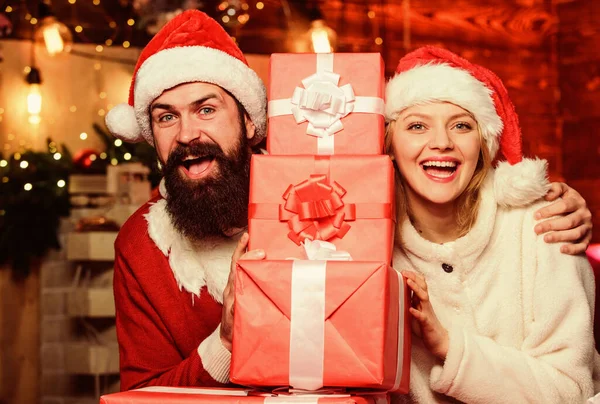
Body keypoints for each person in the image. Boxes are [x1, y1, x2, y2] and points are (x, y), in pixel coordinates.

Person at [105, 11, 593, 391]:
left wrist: (555, 197)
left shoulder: (338, 198)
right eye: (166, 118)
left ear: (251, 123)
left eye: (207, 109)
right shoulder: (145, 244)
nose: (188, 134)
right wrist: (227, 342)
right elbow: (142, 392)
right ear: (151, 136)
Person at [385, 46, 598, 403]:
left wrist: (451, 347)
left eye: (462, 126)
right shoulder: (369, 244)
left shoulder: (545, 227)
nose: (441, 143)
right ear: (389, 144)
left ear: (484, 144)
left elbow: (571, 390)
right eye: (418, 126)